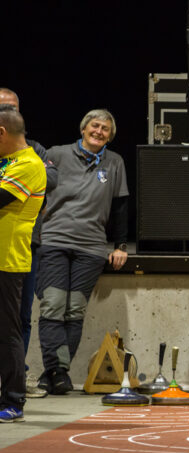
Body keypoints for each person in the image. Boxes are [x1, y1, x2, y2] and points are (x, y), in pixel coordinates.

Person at [36, 109, 129, 395]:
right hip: (54, 240)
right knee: (53, 305)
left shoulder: (115, 162)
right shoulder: (57, 154)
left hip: (91, 247)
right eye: (95, 126)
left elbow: (120, 207)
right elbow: (35, 191)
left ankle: (55, 372)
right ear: (83, 128)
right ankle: (57, 371)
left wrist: (120, 246)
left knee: (74, 310)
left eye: (105, 129)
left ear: (110, 136)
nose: (99, 131)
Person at [0, 88, 58, 399]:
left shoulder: (29, 163)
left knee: (9, 331)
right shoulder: (7, 160)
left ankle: (12, 399)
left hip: (7, 261)